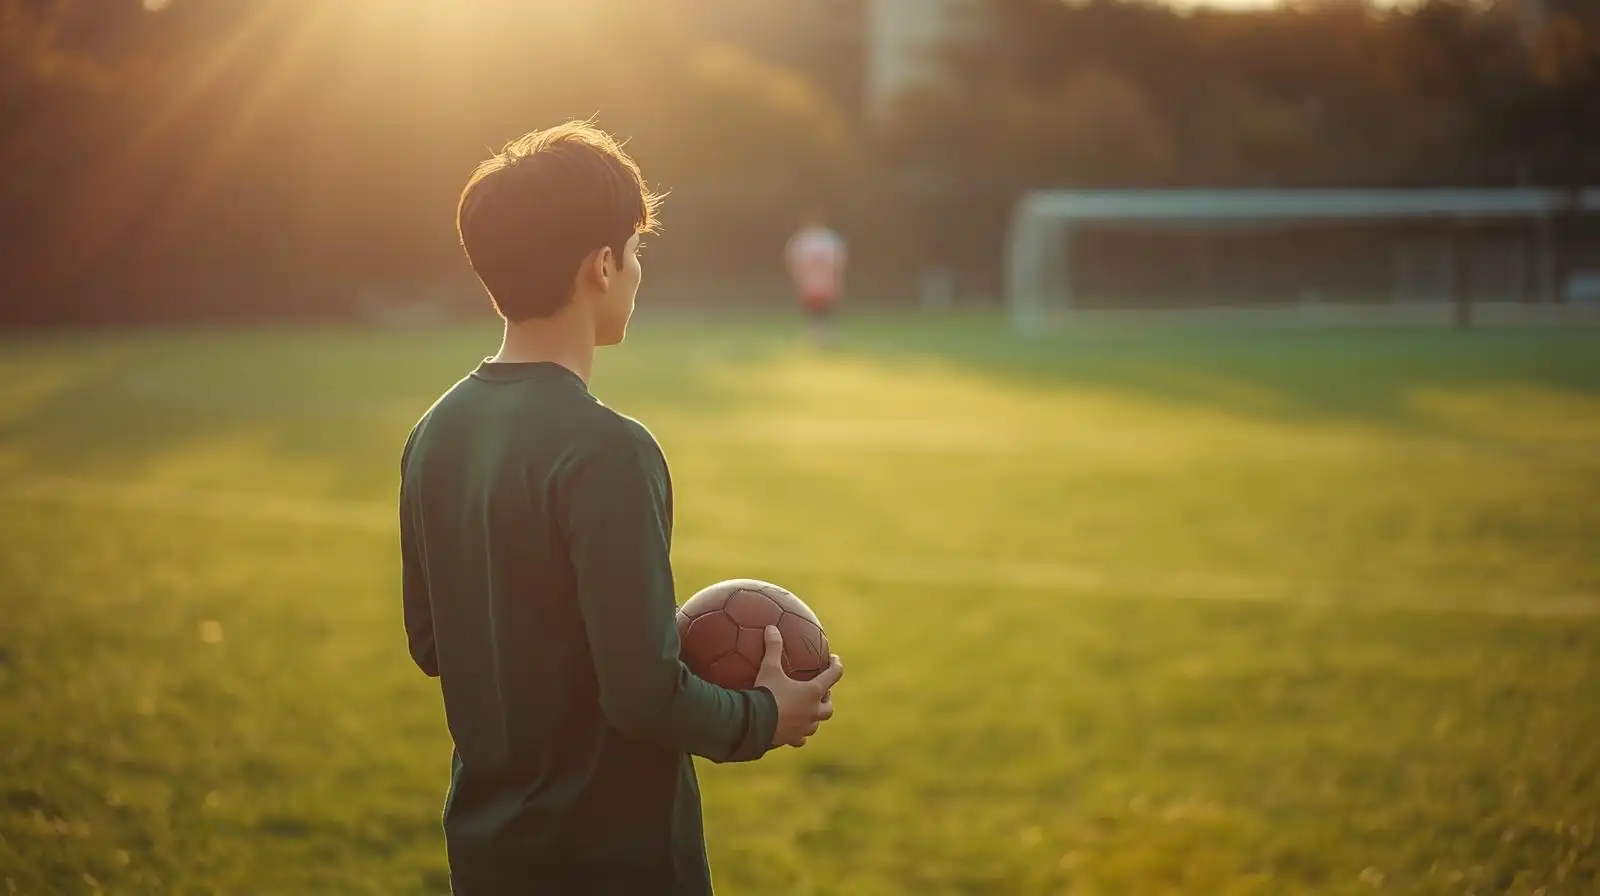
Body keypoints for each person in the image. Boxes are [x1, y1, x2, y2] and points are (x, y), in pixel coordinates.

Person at [398, 122, 845, 895]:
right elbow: (643, 698)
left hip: (490, 855)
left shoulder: (432, 433)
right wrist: (768, 716)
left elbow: (435, 643)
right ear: (602, 266)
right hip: (613, 860)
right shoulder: (609, 450)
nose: (637, 273)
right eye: (635, 254)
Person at [784, 212, 848, 346]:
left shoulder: (803, 240)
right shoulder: (828, 239)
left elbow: (795, 261)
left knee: (819, 308)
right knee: (818, 308)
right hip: (820, 279)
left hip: (816, 279)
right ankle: (821, 334)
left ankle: (820, 334)